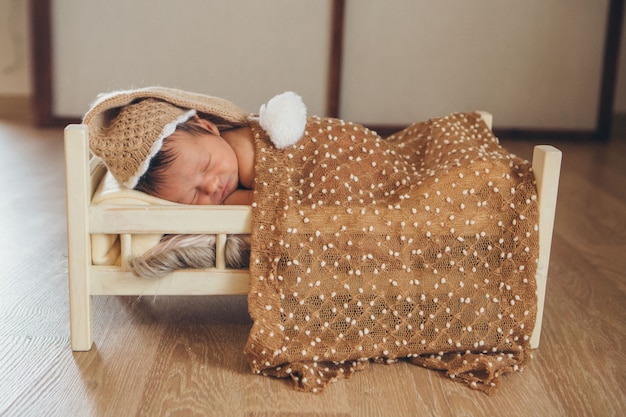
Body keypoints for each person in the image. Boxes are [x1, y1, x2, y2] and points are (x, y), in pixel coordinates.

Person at [134, 114, 256, 205]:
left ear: (208, 127)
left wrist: (240, 199)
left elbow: (272, 196)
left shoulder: (247, 146)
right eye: (193, 196)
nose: (211, 187)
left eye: (208, 165)